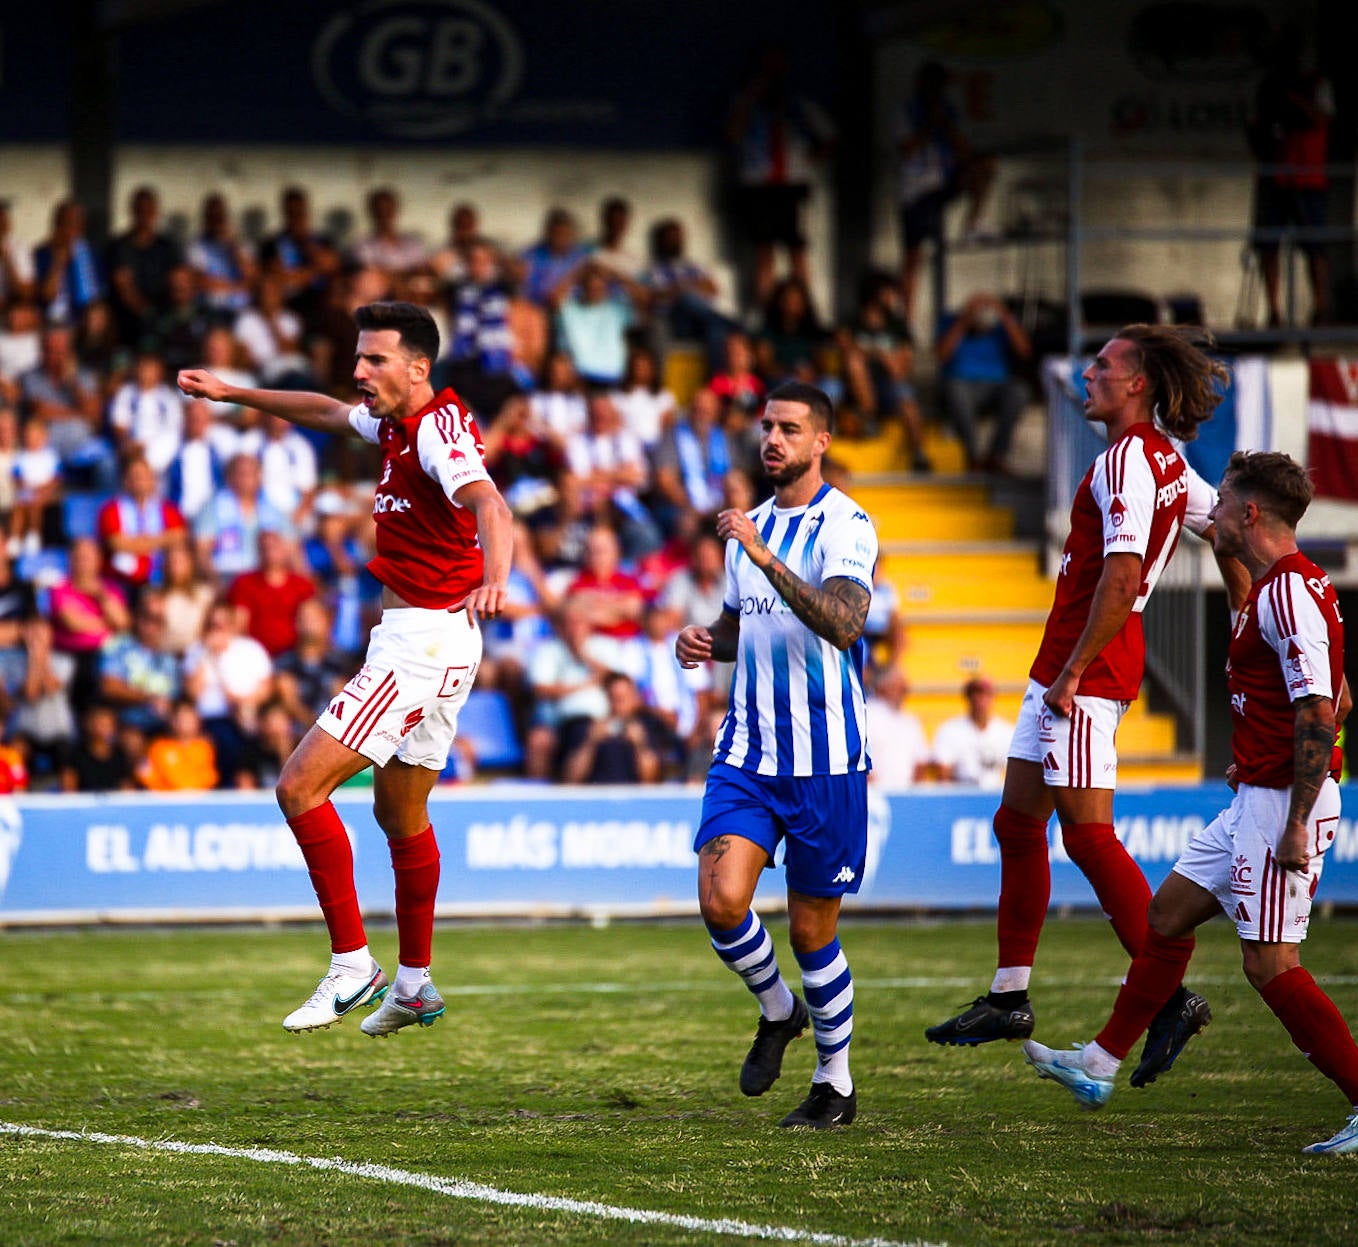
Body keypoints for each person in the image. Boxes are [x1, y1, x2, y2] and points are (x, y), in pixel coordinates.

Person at [177, 299, 512, 1037]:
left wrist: (498, 575)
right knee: (399, 813)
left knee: (299, 786)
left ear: (417, 369)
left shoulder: (436, 431)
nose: (359, 372)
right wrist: (235, 393)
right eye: (359, 357)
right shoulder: (397, 422)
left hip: (419, 640)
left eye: (375, 360)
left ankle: (352, 962)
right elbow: (327, 414)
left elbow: (491, 503)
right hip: (443, 639)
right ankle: (416, 983)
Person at [925, 324, 1249, 1068]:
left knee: (1087, 834)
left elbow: (1125, 577)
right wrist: (1241, 618)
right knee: (1016, 821)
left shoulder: (1131, 460)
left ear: (1137, 383)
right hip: (1067, 664)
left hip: (1086, 669)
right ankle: (1009, 995)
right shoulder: (1166, 461)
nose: (1090, 372)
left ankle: (1169, 995)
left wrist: (1073, 672)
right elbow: (1223, 530)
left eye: (1105, 364)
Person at [1023, 451, 1358, 1155]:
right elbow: (1339, 694)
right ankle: (1101, 1062)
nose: (1215, 515)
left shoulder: (1290, 592)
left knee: (1271, 964)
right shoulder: (1279, 589)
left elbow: (1323, 711)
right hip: (1256, 791)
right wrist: (1261, 749)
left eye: (1225, 501)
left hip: (1279, 807)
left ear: (1251, 514)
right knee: (1167, 913)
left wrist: (1297, 818)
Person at [676, 380, 878, 1129]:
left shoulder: (846, 526)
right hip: (748, 751)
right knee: (721, 897)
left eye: (789, 429)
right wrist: (705, 639)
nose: (772, 440)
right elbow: (743, 623)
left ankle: (836, 1083)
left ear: (820, 441)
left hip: (826, 758)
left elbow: (843, 623)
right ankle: (778, 1008)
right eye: (767, 427)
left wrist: (761, 554)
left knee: (810, 930)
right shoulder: (749, 527)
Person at [896, 60, 995, 324]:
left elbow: (964, 151)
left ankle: (973, 223)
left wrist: (947, 125)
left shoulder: (948, 111)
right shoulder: (907, 110)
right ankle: (905, 323)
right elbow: (906, 149)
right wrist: (929, 125)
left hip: (944, 181)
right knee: (912, 260)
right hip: (917, 190)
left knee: (985, 167)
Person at [1247, 26, 1334, 326]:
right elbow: (1257, 128)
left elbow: (1321, 117)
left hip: (1309, 179)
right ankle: (1274, 311)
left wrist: (1292, 98)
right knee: (1269, 245)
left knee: (1315, 247)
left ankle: (1321, 307)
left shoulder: (1317, 85)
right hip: (1276, 178)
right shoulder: (1268, 87)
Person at [934, 292, 1032, 475]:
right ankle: (973, 456)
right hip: (962, 386)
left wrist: (1003, 315)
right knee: (955, 389)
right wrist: (964, 322)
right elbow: (941, 355)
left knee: (1019, 391)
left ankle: (996, 456)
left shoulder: (1000, 327)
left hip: (996, 387)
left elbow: (1024, 351)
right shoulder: (953, 323)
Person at [932, 675, 1013, 789]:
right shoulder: (950, 730)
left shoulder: (1005, 731)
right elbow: (943, 774)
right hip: (961, 796)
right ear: (968, 698)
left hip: (994, 795)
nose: (980, 701)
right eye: (976, 695)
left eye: (985, 695)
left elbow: (1017, 771)